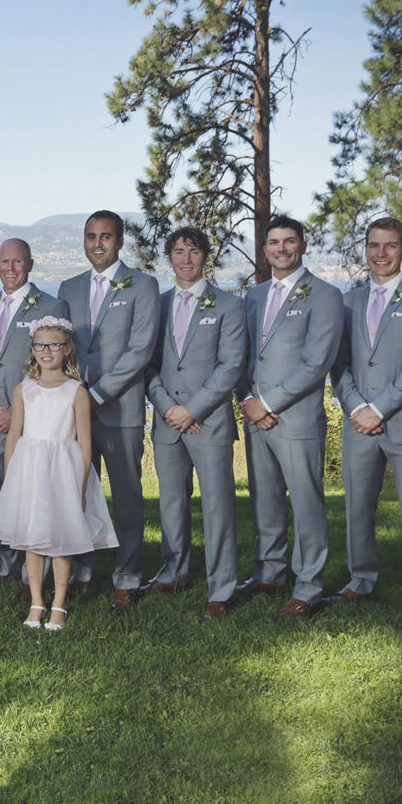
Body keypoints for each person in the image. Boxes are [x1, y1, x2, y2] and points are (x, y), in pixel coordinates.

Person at [329, 217, 402, 637]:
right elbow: (338, 363)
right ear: (366, 249)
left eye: (390, 246)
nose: (381, 254)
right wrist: (358, 407)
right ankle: (361, 581)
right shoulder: (348, 301)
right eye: (374, 245)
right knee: (357, 508)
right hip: (358, 423)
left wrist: (378, 408)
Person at [234, 214, 344, 619]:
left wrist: (268, 403)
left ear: (302, 246)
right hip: (255, 414)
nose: (282, 248)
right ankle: (270, 573)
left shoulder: (326, 295)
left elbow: (317, 363)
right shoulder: (254, 296)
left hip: (295, 417)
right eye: (274, 242)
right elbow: (242, 355)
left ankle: (309, 587)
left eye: (289, 241)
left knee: (306, 503)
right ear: (265, 250)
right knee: (265, 500)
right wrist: (248, 399)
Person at [0, 317, 118, 631]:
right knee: (33, 539)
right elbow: (13, 438)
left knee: (62, 538)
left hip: (63, 472)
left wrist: (82, 486)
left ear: (67, 349)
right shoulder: (23, 389)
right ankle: (36, 602)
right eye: (41, 345)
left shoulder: (76, 392)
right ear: (32, 349)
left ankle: (58, 604)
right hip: (30, 471)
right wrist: (12, 481)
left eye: (55, 345)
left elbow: (84, 443)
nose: (47, 351)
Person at [144, 227, 248, 620]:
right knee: (172, 505)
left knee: (218, 507)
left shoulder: (229, 305)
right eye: (178, 252)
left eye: (193, 252)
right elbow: (147, 364)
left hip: (209, 423)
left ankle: (221, 588)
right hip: (167, 422)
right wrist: (168, 407)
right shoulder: (157, 305)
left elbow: (231, 365)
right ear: (169, 257)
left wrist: (193, 410)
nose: (186, 260)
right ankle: (174, 572)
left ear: (206, 256)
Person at [57, 210, 159, 611]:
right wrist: (69, 396)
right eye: (91, 236)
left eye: (105, 236)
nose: (97, 244)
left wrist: (96, 395)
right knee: (80, 493)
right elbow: (61, 347)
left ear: (120, 241)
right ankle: (83, 571)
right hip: (74, 413)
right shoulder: (69, 288)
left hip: (119, 409)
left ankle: (127, 578)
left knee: (127, 498)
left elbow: (140, 351)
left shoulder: (143, 285)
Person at [0, 237, 68, 594]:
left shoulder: (51, 305)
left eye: (18, 262)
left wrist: (19, 409)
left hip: (32, 415)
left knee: (34, 491)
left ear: (30, 264)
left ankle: (35, 569)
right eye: (4, 261)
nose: (10, 268)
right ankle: (2, 564)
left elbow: (56, 366)